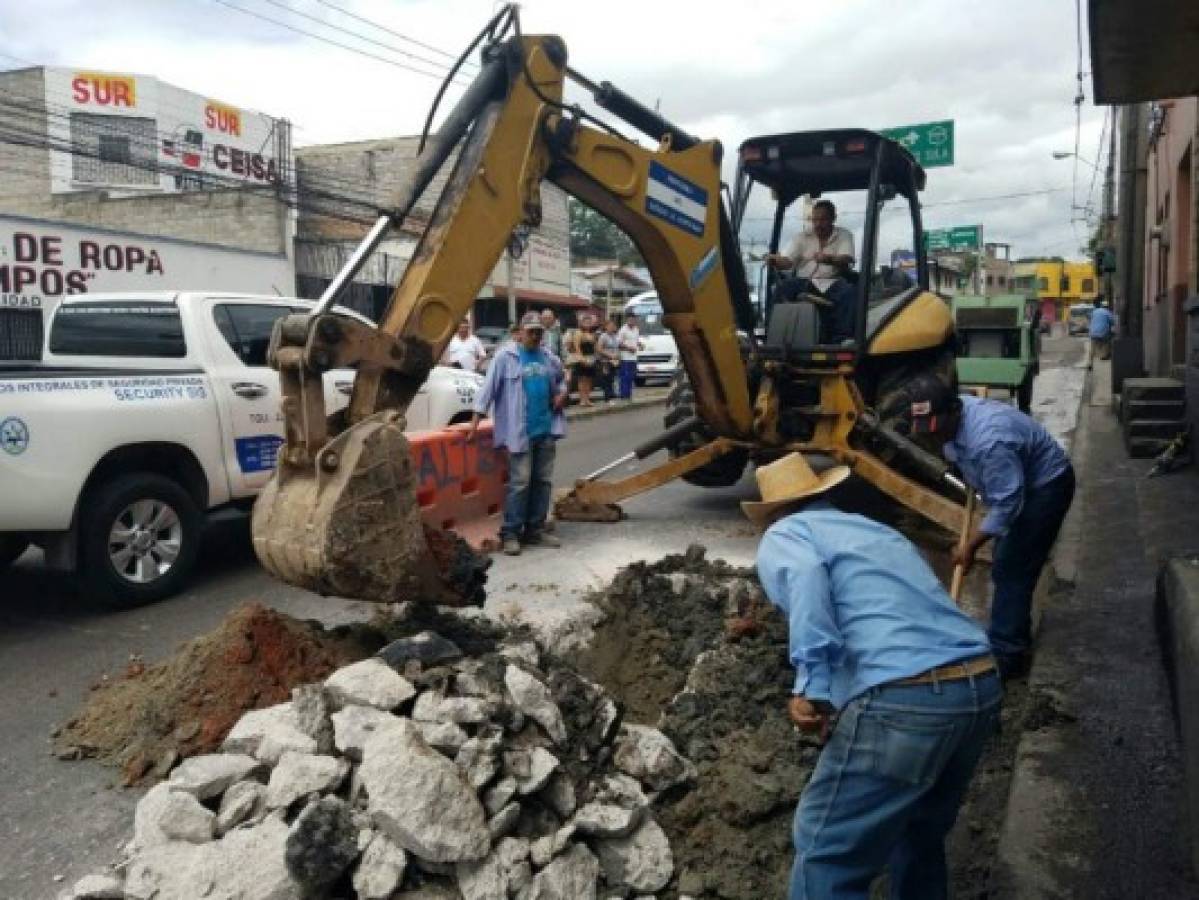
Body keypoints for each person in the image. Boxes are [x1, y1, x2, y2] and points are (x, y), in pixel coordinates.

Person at [746, 452, 1001, 900]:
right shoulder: (876, 531)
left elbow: (806, 578)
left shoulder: (786, 533)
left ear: (772, 513)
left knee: (827, 851)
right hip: (977, 685)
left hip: (905, 698)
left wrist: (813, 687)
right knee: (919, 830)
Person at [901, 374, 1075, 680]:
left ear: (953, 412)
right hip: (1017, 482)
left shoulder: (989, 440)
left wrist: (970, 545)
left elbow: (1008, 503)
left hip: (1046, 487)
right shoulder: (949, 423)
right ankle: (1010, 635)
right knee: (1007, 562)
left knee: (1013, 566)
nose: (934, 437)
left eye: (937, 430)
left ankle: (1008, 656)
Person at [468, 311, 566, 556]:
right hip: (519, 432)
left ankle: (535, 529)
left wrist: (562, 394)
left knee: (542, 482)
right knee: (520, 483)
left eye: (538, 332)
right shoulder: (505, 357)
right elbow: (487, 391)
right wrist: (474, 423)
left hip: (546, 429)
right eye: (530, 331)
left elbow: (562, 380)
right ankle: (511, 533)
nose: (534, 336)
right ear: (520, 332)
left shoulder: (549, 358)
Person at [765, 199, 857, 343]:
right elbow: (788, 261)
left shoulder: (844, 235)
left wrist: (829, 259)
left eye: (823, 220)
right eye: (815, 220)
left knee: (848, 292)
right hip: (803, 282)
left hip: (831, 283)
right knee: (781, 289)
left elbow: (846, 259)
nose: (818, 224)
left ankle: (842, 339)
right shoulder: (802, 237)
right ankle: (772, 334)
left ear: (833, 218)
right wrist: (776, 261)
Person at [564, 314, 600, 407]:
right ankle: (582, 399)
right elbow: (577, 347)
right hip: (582, 358)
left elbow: (595, 347)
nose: (587, 323)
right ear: (581, 323)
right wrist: (582, 359)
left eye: (589, 321)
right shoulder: (578, 333)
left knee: (589, 379)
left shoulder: (592, 334)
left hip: (591, 358)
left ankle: (587, 399)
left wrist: (595, 358)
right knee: (582, 379)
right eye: (585, 321)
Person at [616, 313, 641, 400]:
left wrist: (640, 344)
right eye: (630, 319)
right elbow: (618, 344)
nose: (632, 321)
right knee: (625, 376)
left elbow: (636, 341)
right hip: (625, 357)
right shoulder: (623, 330)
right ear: (627, 320)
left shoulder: (636, 329)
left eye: (633, 319)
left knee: (632, 376)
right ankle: (623, 395)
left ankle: (628, 394)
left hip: (633, 357)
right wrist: (628, 348)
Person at [597, 318, 621, 401]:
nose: (612, 327)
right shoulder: (603, 336)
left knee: (612, 378)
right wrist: (609, 355)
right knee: (606, 378)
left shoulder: (615, 336)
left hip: (615, 361)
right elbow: (599, 349)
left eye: (613, 326)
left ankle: (612, 393)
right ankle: (607, 396)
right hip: (605, 361)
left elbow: (619, 346)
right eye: (610, 326)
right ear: (606, 327)